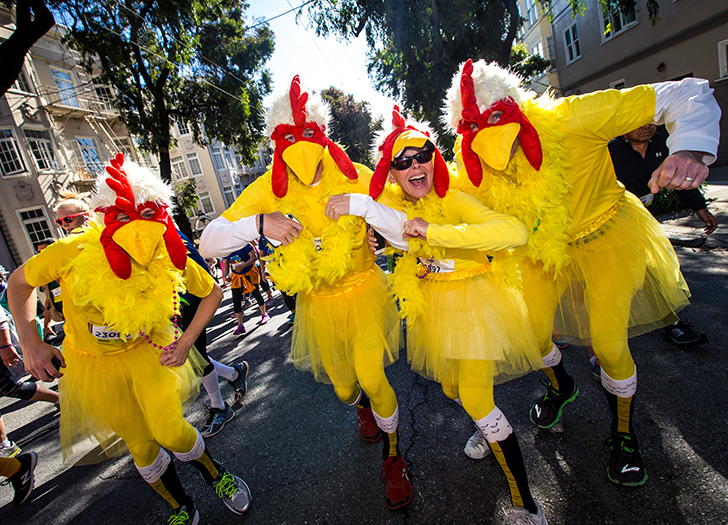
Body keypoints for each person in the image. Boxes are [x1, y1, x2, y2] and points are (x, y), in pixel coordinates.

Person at [443, 58, 720, 487]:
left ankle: (624, 435)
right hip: (543, 250)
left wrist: (688, 148)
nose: (496, 146)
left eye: (500, 123)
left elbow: (686, 92)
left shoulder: (573, 117)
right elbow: (438, 197)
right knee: (531, 338)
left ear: (517, 109)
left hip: (607, 235)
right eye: (477, 132)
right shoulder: (474, 163)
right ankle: (561, 386)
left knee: (609, 345)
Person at [326, 108, 547, 524]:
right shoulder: (394, 208)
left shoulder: (454, 198)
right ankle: (486, 428)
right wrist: (380, 227)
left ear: (435, 158)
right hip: (434, 307)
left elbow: (514, 233)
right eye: (402, 161)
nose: (414, 164)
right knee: (450, 386)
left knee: (478, 399)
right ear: (392, 175)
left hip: (477, 302)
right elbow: (398, 232)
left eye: (422, 153)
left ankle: (525, 505)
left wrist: (434, 231)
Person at [200, 76, 410, 510]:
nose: (300, 148)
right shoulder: (267, 191)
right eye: (287, 139)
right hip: (316, 305)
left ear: (323, 135)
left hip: (364, 290)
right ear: (277, 145)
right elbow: (207, 242)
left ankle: (394, 457)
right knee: (343, 388)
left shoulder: (354, 175)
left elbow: (403, 218)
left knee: (373, 376)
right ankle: (361, 408)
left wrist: (380, 234)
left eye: (307, 136)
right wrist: (258, 224)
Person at [7, 153, 250, 524]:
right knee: (141, 447)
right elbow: (18, 283)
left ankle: (216, 475)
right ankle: (181, 506)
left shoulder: (167, 250)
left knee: (172, 431)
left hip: (146, 354)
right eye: (123, 217)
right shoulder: (71, 252)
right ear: (105, 217)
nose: (137, 230)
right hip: (94, 366)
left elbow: (212, 292)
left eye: (149, 216)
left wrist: (186, 343)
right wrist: (31, 342)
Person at [610, 123, 713, 346]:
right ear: (622, 125)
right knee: (618, 276)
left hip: (647, 218)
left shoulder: (662, 143)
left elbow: (679, 177)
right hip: (614, 222)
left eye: (650, 121)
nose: (646, 127)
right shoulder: (609, 151)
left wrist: (700, 208)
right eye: (638, 123)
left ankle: (672, 325)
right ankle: (603, 332)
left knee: (656, 269)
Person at [177, 230, 249, 438]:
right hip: (169, 306)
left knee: (194, 355)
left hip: (190, 301)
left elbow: (206, 281)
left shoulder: (166, 232)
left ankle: (219, 406)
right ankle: (234, 374)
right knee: (191, 357)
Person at [225, 243, 271, 336]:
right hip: (236, 276)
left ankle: (264, 314)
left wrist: (244, 265)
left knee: (256, 293)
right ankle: (240, 325)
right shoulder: (227, 247)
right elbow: (226, 261)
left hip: (249, 273)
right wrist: (226, 274)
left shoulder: (244, 244)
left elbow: (254, 257)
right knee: (236, 299)